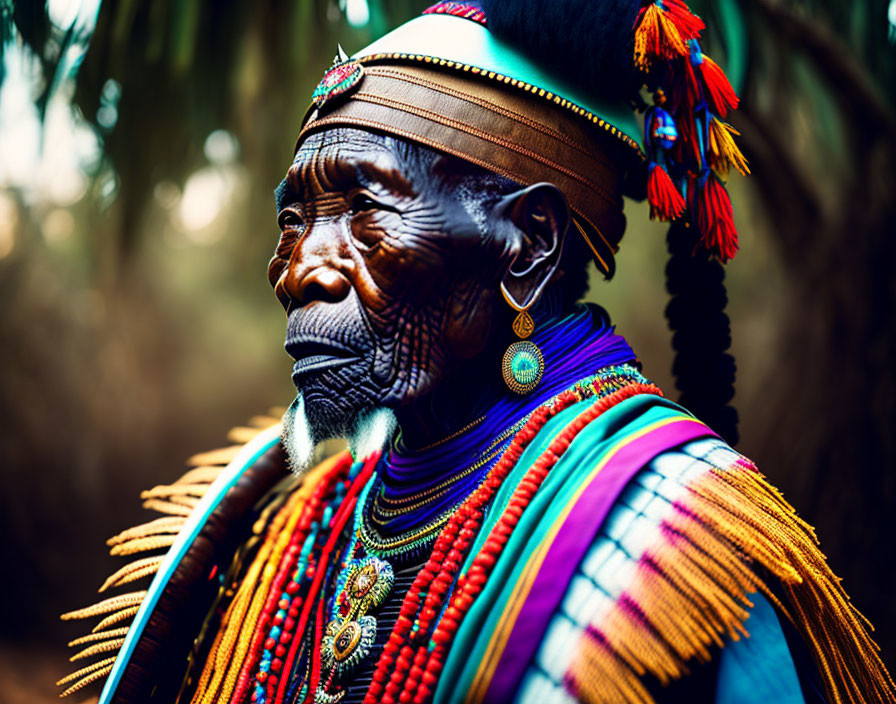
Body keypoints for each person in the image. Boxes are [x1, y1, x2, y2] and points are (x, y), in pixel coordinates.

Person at [60, 2, 894, 703]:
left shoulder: (679, 549)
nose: (298, 271)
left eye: (362, 211)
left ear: (527, 246)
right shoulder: (287, 518)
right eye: (293, 220)